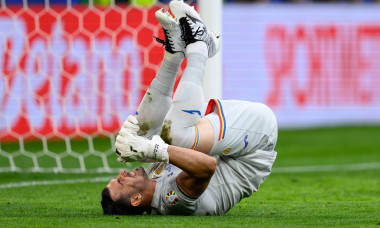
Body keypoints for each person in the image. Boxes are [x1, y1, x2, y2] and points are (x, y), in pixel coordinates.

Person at [101, 0, 278, 216]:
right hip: (254, 143)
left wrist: (140, 144)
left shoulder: (152, 182)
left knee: (143, 136)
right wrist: (151, 149)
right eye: (120, 182)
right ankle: (200, 46)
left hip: (225, 139)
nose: (121, 173)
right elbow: (207, 167)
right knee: (172, 137)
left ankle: (173, 53)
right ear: (136, 200)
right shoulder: (173, 202)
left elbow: (156, 145)